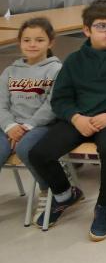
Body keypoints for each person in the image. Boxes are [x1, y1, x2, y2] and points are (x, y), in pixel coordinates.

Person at [29, 0, 106, 241]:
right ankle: (65, 195)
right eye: (102, 26)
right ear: (86, 30)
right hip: (79, 119)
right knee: (39, 154)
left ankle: (104, 206)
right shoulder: (74, 60)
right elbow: (60, 100)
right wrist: (75, 117)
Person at [0, 19, 61, 195]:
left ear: (51, 42)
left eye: (39, 40)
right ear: (19, 42)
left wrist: (26, 127)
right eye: (26, 40)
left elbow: (52, 105)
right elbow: (1, 103)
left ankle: (46, 189)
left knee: (26, 148)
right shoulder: (10, 71)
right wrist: (10, 126)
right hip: (10, 126)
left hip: (41, 125)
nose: (32, 44)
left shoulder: (56, 69)